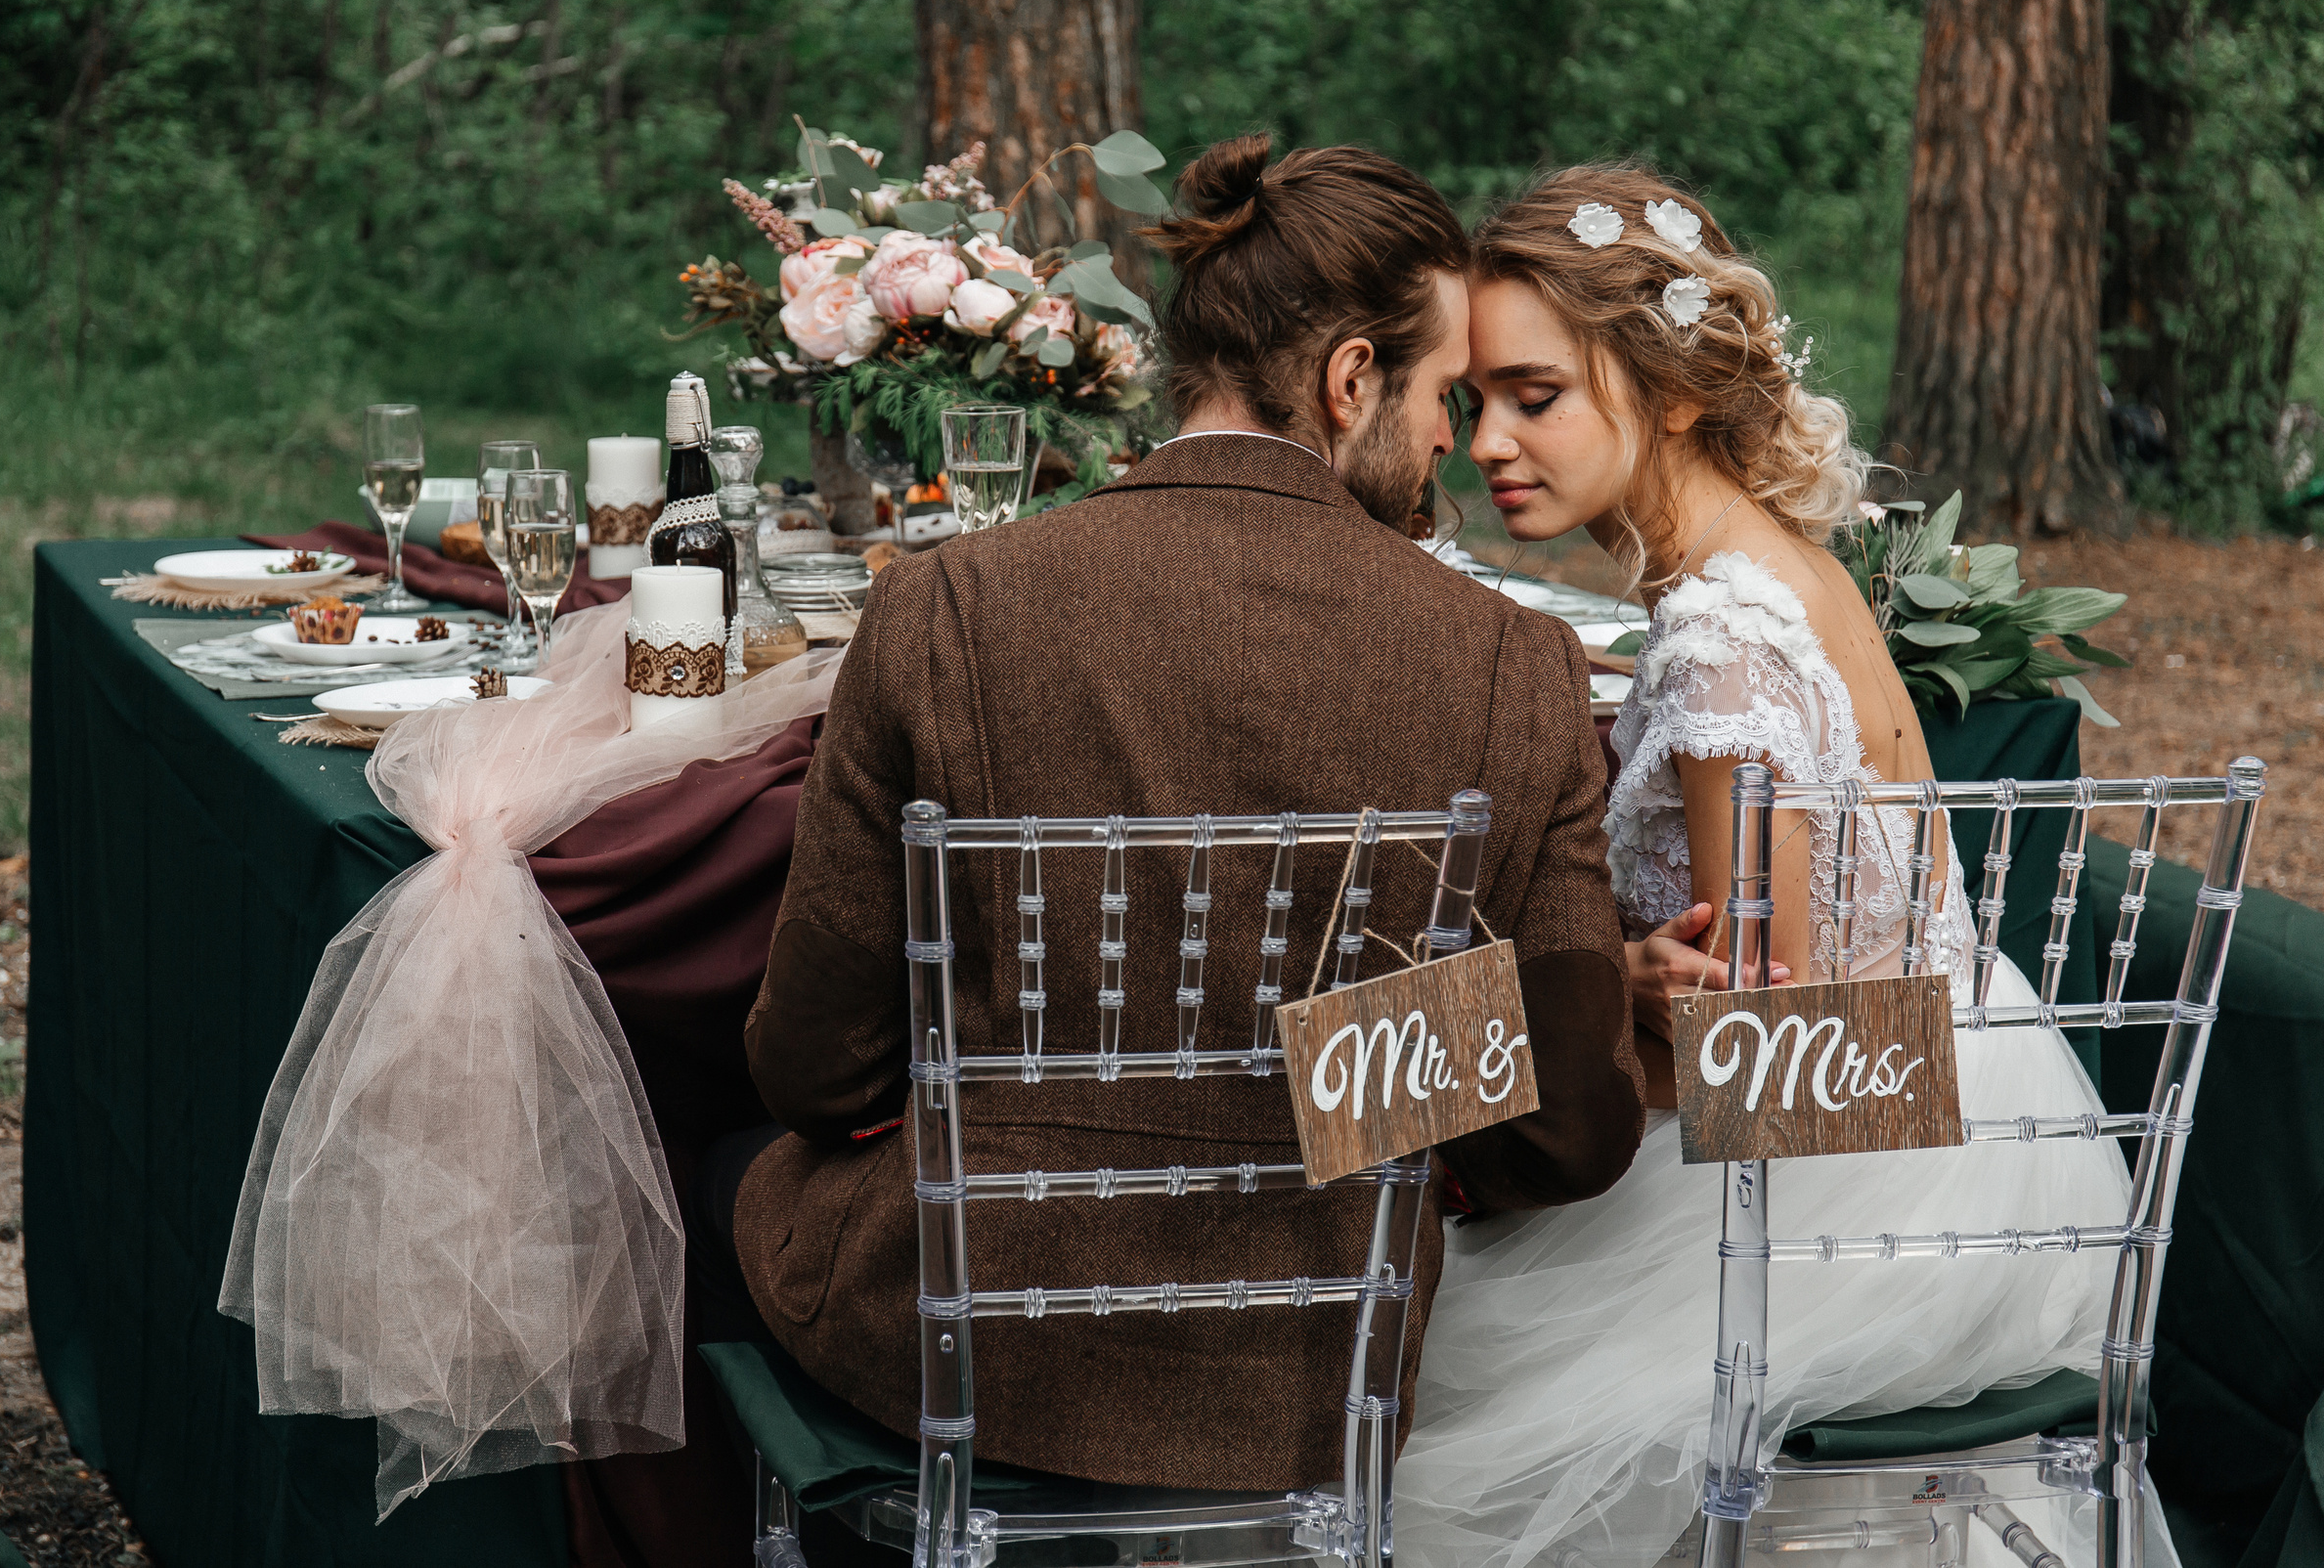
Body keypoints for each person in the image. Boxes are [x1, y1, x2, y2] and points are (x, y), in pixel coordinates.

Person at [726, 134, 1647, 1495]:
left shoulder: (948, 605)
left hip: (963, 1340)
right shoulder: (1513, 665)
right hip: (1311, 1368)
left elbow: (817, 1068)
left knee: (720, 1179)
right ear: (1349, 381)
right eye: (1443, 395)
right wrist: (1348, 1031)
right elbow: (1571, 1130)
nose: (1453, 438)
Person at [1391, 163, 2168, 1566]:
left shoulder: (1717, 650)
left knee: (1410, 1377)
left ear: (1673, 389)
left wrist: (1532, 1015)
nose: (1487, 441)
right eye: (1471, 404)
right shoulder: (1777, 564)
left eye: (1534, 395)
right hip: (1966, 1116)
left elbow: (1765, 1051)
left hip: (1837, 1183)